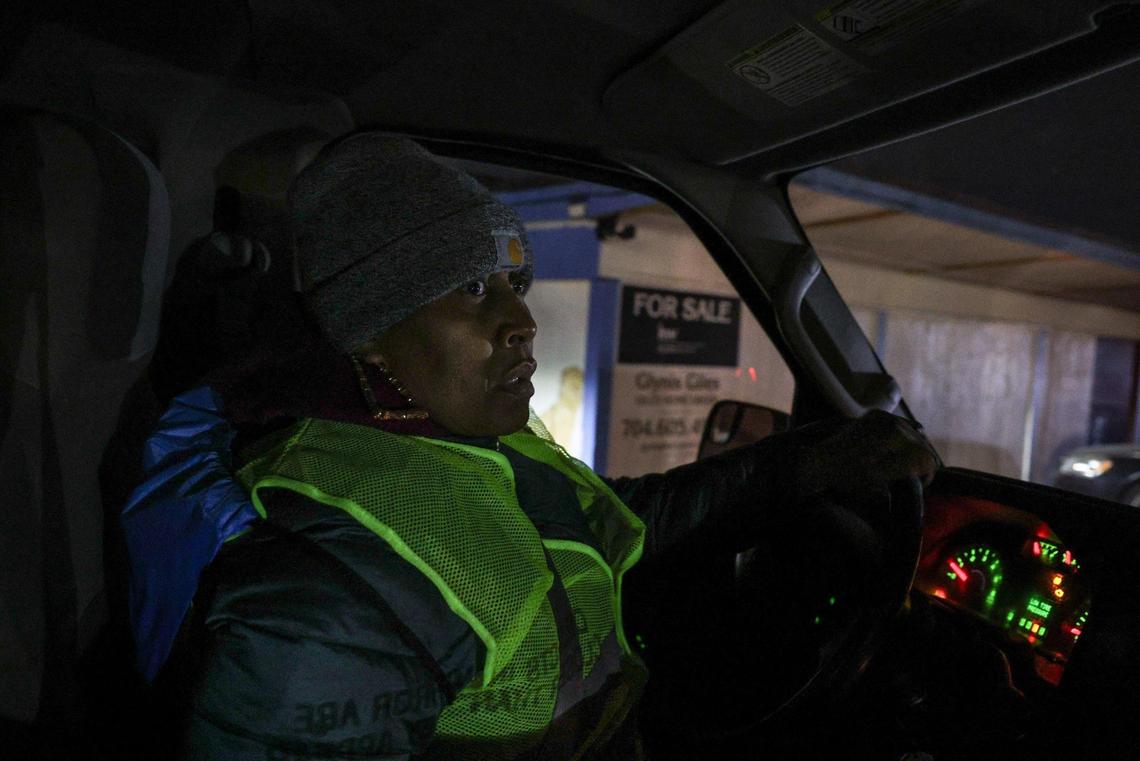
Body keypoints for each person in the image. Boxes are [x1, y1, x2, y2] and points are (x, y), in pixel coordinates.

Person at [121, 134, 939, 760]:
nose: (522, 320)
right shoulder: (329, 581)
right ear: (367, 334)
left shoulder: (466, 442)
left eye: (515, 283)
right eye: (473, 288)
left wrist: (809, 463)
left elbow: (611, 518)